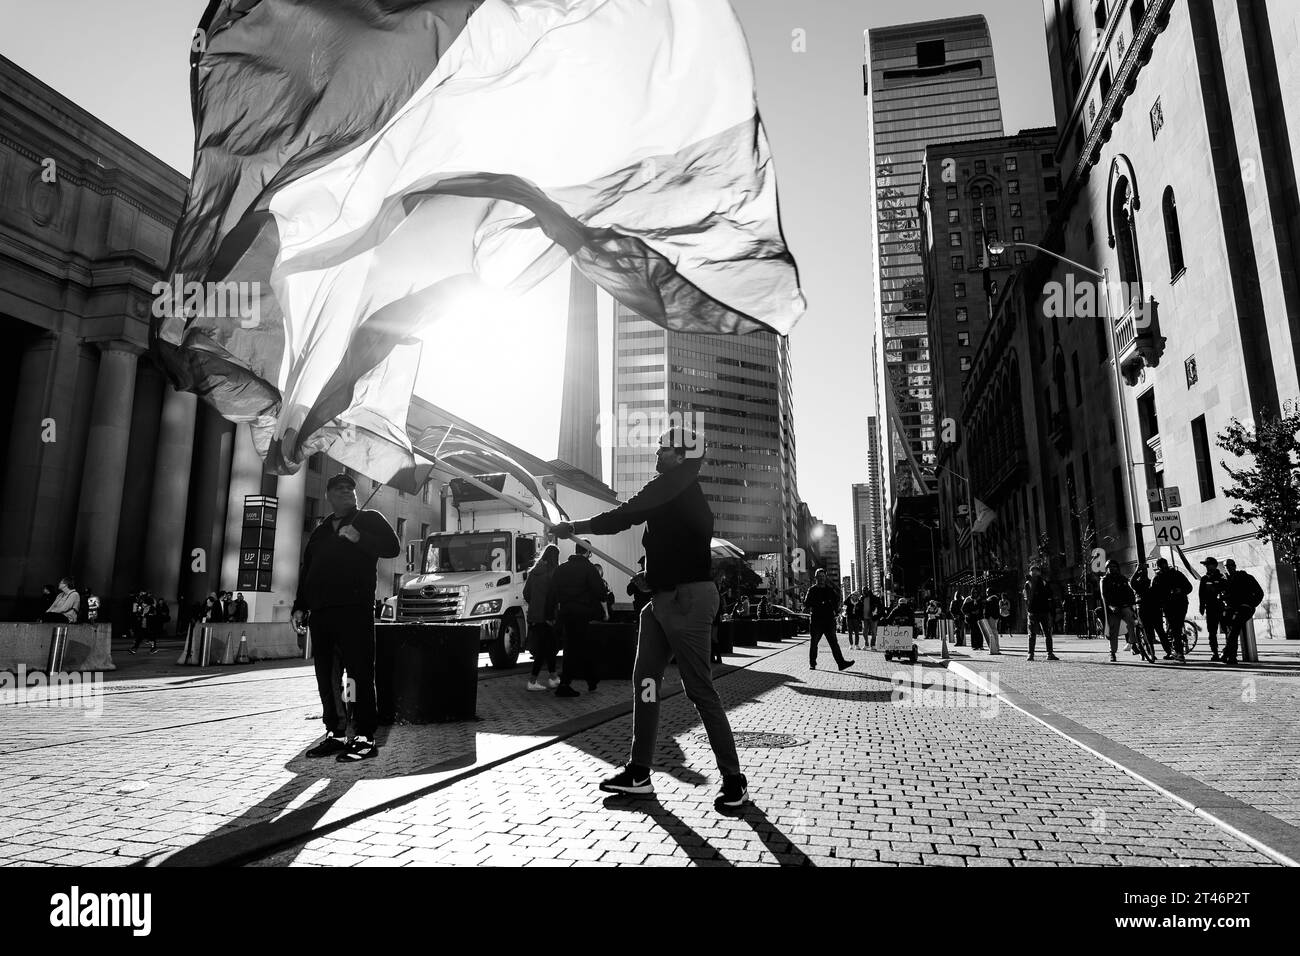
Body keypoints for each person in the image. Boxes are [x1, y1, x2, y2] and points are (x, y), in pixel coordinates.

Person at [553, 427, 748, 811]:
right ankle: (639, 773)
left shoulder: (673, 484)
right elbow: (676, 546)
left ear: (680, 456)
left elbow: (624, 516)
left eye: (662, 449)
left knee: (699, 690)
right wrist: (653, 576)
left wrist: (571, 528)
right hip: (663, 599)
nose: (656, 454)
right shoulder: (677, 489)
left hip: (687, 601)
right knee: (645, 681)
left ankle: (733, 780)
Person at [293, 473, 401, 762]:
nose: (347, 493)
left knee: (359, 673)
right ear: (329, 495)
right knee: (327, 677)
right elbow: (308, 570)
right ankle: (336, 733)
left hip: (354, 610)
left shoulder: (369, 519)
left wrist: (359, 538)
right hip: (322, 613)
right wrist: (299, 605)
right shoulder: (321, 530)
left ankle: (364, 735)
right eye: (340, 489)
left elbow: (393, 547)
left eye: (350, 489)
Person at [551, 543, 607, 697]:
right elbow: (600, 591)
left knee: (573, 647)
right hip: (583, 613)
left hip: (565, 613)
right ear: (588, 552)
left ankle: (588, 680)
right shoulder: (588, 568)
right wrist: (603, 609)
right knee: (580, 647)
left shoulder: (562, 568)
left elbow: (552, 591)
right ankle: (568, 683)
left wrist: (550, 614)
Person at [523, 544, 562, 691]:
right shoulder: (553, 572)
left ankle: (553, 677)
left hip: (534, 615)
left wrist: (534, 606)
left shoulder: (534, 572)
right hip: (548, 616)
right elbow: (554, 596)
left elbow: (526, 593)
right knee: (545, 649)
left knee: (547, 647)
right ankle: (533, 681)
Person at [805, 568, 852, 670]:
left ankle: (841, 663)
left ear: (825, 577)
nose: (821, 578)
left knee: (834, 643)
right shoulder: (812, 590)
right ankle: (812, 663)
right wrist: (819, 603)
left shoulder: (829, 590)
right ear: (816, 578)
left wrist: (836, 610)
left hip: (829, 620)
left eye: (823, 576)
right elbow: (806, 603)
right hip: (816, 620)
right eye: (819, 576)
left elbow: (836, 601)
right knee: (814, 643)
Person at [1220, 559, 1264, 666]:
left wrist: (1250, 604)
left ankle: (1227, 652)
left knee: (1234, 628)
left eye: (1230, 566)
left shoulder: (1246, 577)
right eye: (1226, 566)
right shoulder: (1225, 580)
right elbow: (1223, 595)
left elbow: (1259, 593)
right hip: (1231, 609)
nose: (1228, 568)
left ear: (1235, 566)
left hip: (1245, 608)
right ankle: (1231, 657)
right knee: (1230, 632)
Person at [1152, 557, 1193, 662]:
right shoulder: (1158, 577)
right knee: (1175, 628)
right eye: (1161, 566)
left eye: (1164, 565)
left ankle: (1179, 652)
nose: (1163, 568)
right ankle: (1175, 651)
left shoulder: (1175, 575)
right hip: (1171, 605)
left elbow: (1189, 587)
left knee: (1176, 628)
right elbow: (1155, 594)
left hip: (1178, 604)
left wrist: (1180, 590)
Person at [1100, 559, 1137, 663]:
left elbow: (1129, 592)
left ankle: (1133, 644)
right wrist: (1111, 606)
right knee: (1114, 630)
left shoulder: (1122, 578)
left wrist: (1132, 603)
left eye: (1114, 567)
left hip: (1124, 605)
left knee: (1131, 621)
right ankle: (1112, 652)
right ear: (1107, 569)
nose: (1112, 569)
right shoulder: (1105, 580)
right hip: (1112, 608)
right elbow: (1105, 596)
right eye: (1110, 567)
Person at [1130, 563, 1170, 658]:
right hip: (1143, 608)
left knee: (1159, 630)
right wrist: (1136, 571)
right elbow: (1132, 583)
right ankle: (1151, 653)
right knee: (1148, 631)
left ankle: (1168, 651)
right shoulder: (1137, 583)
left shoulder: (1152, 581)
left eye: (1145, 570)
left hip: (1154, 608)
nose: (1144, 572)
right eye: (1142, 570)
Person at [1023, 565, 1058, 661]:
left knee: (1032, 634)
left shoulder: (1028, 583)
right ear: (1039, 572)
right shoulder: (1043, 581)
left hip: (1033, 612)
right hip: (1044, 611)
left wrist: (1028, 611)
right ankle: (1049, 654)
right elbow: (1050, 595)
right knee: (1047, 633)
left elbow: (1026, 599)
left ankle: (1030, 654)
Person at [1198, 557, 1226, 662]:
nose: (1206, 567)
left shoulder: (1222, 577)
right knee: (1212, 631)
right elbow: (1201, 594)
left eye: (1208, 564)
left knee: (1227, 629)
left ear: (1214, 565)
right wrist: (1201, 606)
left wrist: (1217, 589)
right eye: (1205, 565)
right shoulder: (1204, 578)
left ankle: (1228, 651)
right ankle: (1215, 652)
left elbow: (1226, 589)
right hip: (1210, 607)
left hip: (1221, 607)